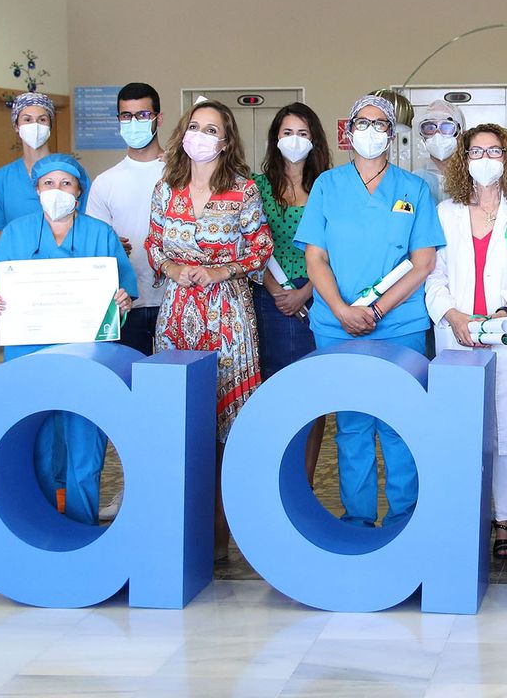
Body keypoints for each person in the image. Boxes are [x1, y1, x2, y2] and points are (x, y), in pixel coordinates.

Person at [296, 94, 442, 530]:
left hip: (399, 325)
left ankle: (405, 520)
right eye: (364, 122)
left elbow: (424, 263)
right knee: (353, 424)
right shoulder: (326, 185)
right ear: (349, 130)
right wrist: (341, 309)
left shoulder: (413, 189)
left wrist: (376, 309)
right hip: (337, 325)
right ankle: (358, 519)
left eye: (381, 124)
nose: (372, 131)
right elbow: (315, 258)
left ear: (393, 134)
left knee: (400, 425)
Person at [145, 99, 274, 561]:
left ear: (226, 140)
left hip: (228, 316)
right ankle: (181, 531)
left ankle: (221, 536)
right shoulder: (166, 187)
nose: (200, 135)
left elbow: (260, 249)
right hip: (178, 313)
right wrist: (173, 267)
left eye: (211, 129)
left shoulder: (243, 190)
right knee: (181, 422)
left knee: (227, 428)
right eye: (194, 126)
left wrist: (220, 271)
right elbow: (154, 244)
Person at [0, 153, 136, 527]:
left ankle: (81, 528)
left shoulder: (100, 233)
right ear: (37, 189)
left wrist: (122, 300)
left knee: (84, 445)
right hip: (30, 356)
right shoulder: (17, 232)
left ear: (79, 191)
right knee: (40, 446)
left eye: (66, 183)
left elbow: (124, 290)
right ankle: (45, 526)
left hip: (87, 357)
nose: (57, 190)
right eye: (48, 183)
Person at [426, 123, 507, 560]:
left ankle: (504, 520)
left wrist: (505, 308)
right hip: (457, 335)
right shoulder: (446, 213)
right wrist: (452, 315)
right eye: (475, 151)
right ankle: (465, 515)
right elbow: (433, 275)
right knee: (462, 428)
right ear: (463, 160)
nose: (485, 159)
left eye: (493, 151)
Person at [254, 102, 333, 486]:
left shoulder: (330, 187)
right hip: (269, 303)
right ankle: (275, 477)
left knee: (313, 396)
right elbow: (250, 243)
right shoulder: (257, 186)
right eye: (287, 133)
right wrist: (278, 291)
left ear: (314, 139)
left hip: (318, 301)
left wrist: (304, 293)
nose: (295, 140)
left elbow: (336, 248)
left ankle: (304, 481)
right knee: (275, 393)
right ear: (275, 138)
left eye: (303, 133)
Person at [84, 82, 166, 357]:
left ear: (158, 118)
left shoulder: (180, 175)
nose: (134, 122)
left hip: (174, 298)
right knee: (126, 382)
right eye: (126, 116)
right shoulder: (105, 182)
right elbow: (92, 247)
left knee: (175, 383)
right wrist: (110, 245)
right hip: (124, 301)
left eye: (142, 115)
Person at [0, 91, 55, 233]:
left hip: (67, 255)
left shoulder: (70, 173)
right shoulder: (3, 178)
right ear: (16, 126)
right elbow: (0, 236)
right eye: (27, 120)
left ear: (50, 125)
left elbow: (87, 224)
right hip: (18, 255)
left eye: (42, 120)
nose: (35, 125)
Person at [415, 98, 465, 199]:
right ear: (422, 136)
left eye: (447, 127)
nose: (438, 134)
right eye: (430, 127)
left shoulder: (471, 178)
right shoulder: (415, 180)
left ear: (460, 133)